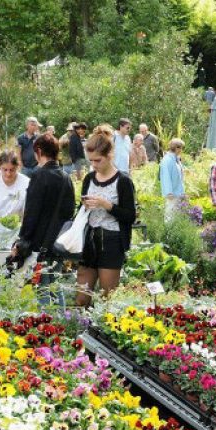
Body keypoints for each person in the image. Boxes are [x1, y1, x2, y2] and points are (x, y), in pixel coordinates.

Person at [76, 126, 136, 307]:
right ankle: (79, 332)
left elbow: (130, 216)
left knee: (107, 299)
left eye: (98, 160)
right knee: (81, 298)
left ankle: (100, 334)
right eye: (91, 161)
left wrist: (107, 205)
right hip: (89, 240)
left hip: (112, 241)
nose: (94, 165)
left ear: (110, 155)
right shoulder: (89, 178)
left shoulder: (123, 181)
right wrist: (84, 206)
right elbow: (81, 210)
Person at [13, 134, 74, 306]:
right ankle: (61, 323)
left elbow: (31, 213)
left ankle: (46, 326)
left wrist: (22, 240)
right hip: (59, 241)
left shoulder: (39, 176)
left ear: (38, 151)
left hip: (40, 243)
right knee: (55, 286)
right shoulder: (66, 177)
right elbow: (69, 211)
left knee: (41, 289)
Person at [159, 138, 185, 221]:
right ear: (176, 148)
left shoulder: (176, 158)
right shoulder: (167, 160)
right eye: (181, 148)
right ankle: (169, 233)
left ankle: (176, 233)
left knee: (177, 215)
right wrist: (169, 192)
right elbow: (165, 177)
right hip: (172, 193)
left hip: (178, 191)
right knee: (170, 215)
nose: (181, 150)